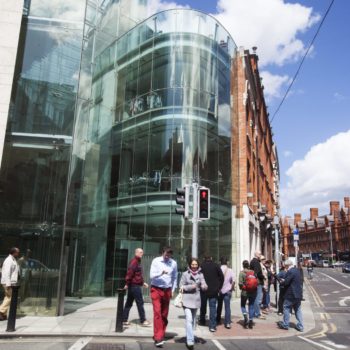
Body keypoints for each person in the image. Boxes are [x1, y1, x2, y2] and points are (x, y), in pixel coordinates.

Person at [150, 247, 178, 347]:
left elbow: (175, 277)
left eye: (169, 255)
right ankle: (158, 338)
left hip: (167, 290)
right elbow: (151, 276)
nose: (167, 256)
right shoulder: (156, 261)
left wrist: (173, 290)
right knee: (157, 312)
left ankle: (161, 333)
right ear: (163, 252)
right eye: (166, 254)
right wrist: (160, 273)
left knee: (164, 314)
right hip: (156, 289)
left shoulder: (173, 263)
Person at [179, 258, 208, 350]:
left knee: (192, 322)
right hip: (187, 300)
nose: (194, 266)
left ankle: (189, 337)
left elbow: (204, 285)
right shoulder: (185, 274)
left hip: (196, 301)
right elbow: (180, 286)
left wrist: (204, 286)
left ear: (198, 265)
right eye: (193, 264)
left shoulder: (201, 274)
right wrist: (193, 286)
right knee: (189, 319)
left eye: (196, 264)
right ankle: (190, 341)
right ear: (190, 265)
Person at [122, 248, 150, 326]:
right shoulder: (134, 262)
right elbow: (130, 273)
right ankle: (143, 320)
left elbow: (136, 275)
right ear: (136, 253)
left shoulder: (137, 261)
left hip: (133, 285)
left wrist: (142, 283)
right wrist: (127, 283)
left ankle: (124, 319)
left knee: (128, 303)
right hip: (135, 287)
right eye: (140, 252)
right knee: (140, 303)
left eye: (142, 252)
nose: (142, 254)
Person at [277, 259, 304, 332]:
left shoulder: (290, 271)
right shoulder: (297, 271)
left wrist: (281, 281)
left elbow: (286, 282)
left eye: (286, 266)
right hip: (298, 294)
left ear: (288, 265)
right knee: (298, 310)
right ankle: (301, 326)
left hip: (290, 294)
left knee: (286, 308)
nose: (285, 268)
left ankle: (286, 325)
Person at [199, 255, 224, 332]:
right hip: (214, 290)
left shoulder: (201, 266)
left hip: (203, 290)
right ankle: (212, 325)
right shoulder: (216, 266)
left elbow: (198, 277)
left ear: (204, 259)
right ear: (211, 258)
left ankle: (202, 320)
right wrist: (219, 287)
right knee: (212, 307)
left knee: (203, 306)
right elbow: (222, 277)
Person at [0, 247, 20, 321]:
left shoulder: (13, 260)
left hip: (11, 282)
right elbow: (7, 273)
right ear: (14, 253)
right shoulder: (9, 260)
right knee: (10, 298)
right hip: (8, 282)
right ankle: (1, 311)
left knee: (7, 297)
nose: (18, 254)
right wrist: (8, 284)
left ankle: (3, 314)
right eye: (17, 252)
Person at [216, 257, 235, 329]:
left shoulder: (218, 269)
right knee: (227, 307)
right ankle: (227, 323)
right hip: (227, 290)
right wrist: (231, 288)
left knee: (219, 305)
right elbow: (233, 281)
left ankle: (218, 319)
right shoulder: (230, 270)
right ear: (226, 262)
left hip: (219, 290)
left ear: (220, 262)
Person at [238, 260, 257, 329]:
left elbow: (240, 283)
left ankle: (245, 317)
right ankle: (251, 321)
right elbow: (256, 282)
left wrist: (242, 287)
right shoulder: (253, 272)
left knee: (243, 305)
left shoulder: (241, 273)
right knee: (251, 305)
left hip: (244, 292)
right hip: (253, 292)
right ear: (248, 265)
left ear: (243, 265)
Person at [249, 250, 266, 319]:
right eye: (259, 254)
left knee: (256, 298)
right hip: (258, 282)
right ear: (256, 255)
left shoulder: (253, 261)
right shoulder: (256, 262)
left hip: (256, 282)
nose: (260, 255)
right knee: (257, 299)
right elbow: (257, 273)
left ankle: (255, 313)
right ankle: (257, 313)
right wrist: (263, 276)